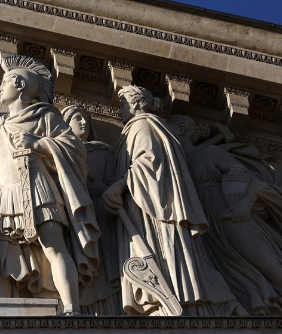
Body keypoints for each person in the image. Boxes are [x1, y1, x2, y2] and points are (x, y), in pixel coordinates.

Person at [0, 55, 98, 313]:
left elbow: (74, 147)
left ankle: (71, 308)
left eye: (5, 82)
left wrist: (37, 143)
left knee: (53, 244)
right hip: (0, 194)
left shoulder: (45, 117)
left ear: (19, 85)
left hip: (36, 187)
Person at [173, 115, 282, 316]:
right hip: (203, 222)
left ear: (180, 130)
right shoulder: (174, 162)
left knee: (267, 262)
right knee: (226, 272)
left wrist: (243, 206)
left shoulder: (209, 153)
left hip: (230, 213)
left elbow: (253, 182)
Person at [101, 86, 241, 316]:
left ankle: (171, 300)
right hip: (150, 206)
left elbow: (149, 162)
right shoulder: (145, 127)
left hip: (155, 213)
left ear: (136, 104)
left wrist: (117, 187)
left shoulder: (142, 124)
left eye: (123, 105)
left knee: (164, 254)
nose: (119, 112)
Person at [61, 104, 124, 315]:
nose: (84, 121)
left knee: (104, 269)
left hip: (101, 216)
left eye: (86, 117)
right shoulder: (61, 152)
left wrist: (104, 190)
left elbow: (114, 182)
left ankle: (110, 312)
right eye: (77, 118)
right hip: (74, 217)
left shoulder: (104, 152)